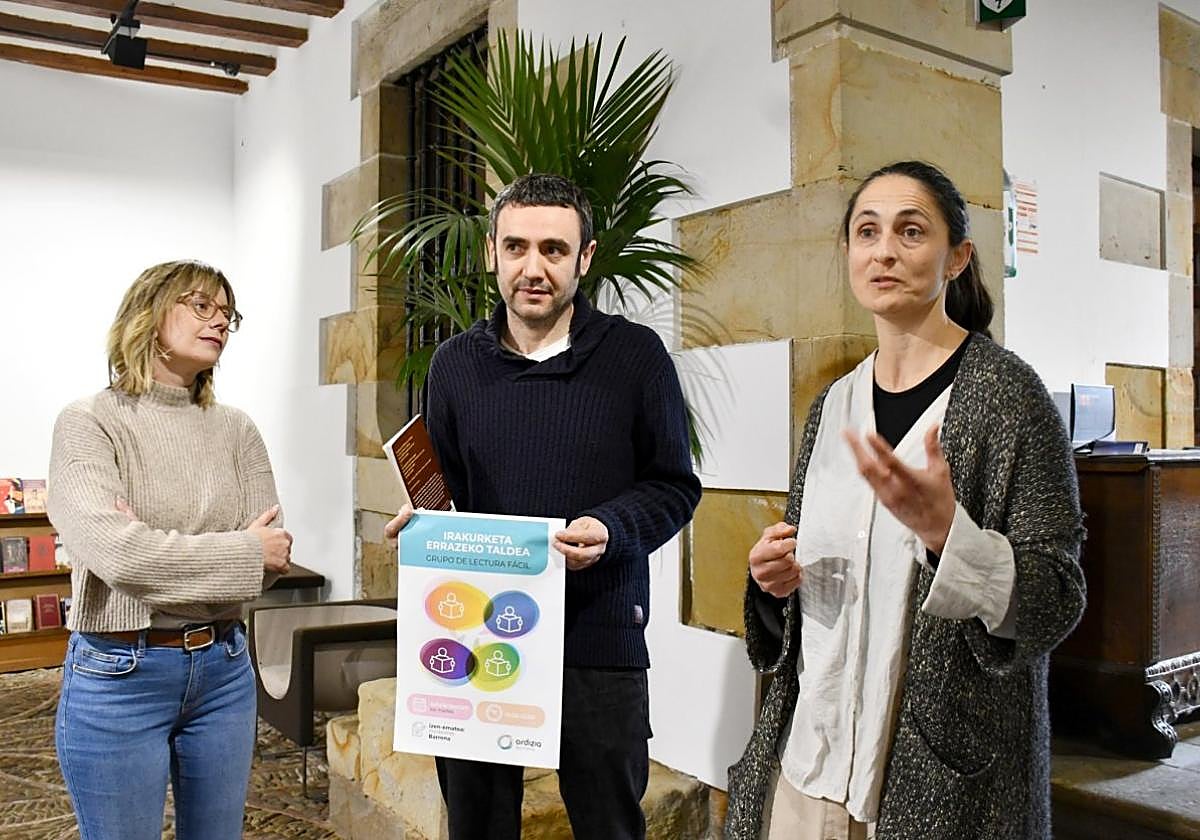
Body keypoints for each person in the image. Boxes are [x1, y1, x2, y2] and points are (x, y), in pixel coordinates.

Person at [724, 161, 1086, 840]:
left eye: (911, 231)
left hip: (942, 783)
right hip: (811, 769)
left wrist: (952, 538)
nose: (884, 251)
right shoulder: (833, 405)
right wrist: (772, 584)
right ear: (848, 252)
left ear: (957, 257)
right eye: (867, 232)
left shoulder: (1009, 399)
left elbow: (1058, 597)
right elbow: (808, 582)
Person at [384, 173, 702, 840]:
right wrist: (424, 525)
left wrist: (612, 528)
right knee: (477, 826)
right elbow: (446, 496)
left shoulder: (634, 357)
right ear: (491, 253)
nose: (534, 268)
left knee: (609, 827)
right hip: (477, 640)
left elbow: (674, 486)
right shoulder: (454, 365)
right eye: (517, 247)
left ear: (585, 258)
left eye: (554, 250)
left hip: (599, 636)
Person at [47, 260, 293, 840]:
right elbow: (120, 556)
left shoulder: (237, 429)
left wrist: (158, 547)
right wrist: (239, 549)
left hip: (224, 668)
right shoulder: (88, 422)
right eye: (201, 306)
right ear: (149, 313)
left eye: (228, 313)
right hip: (119, 674)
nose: (220, 322)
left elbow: (274, 558)